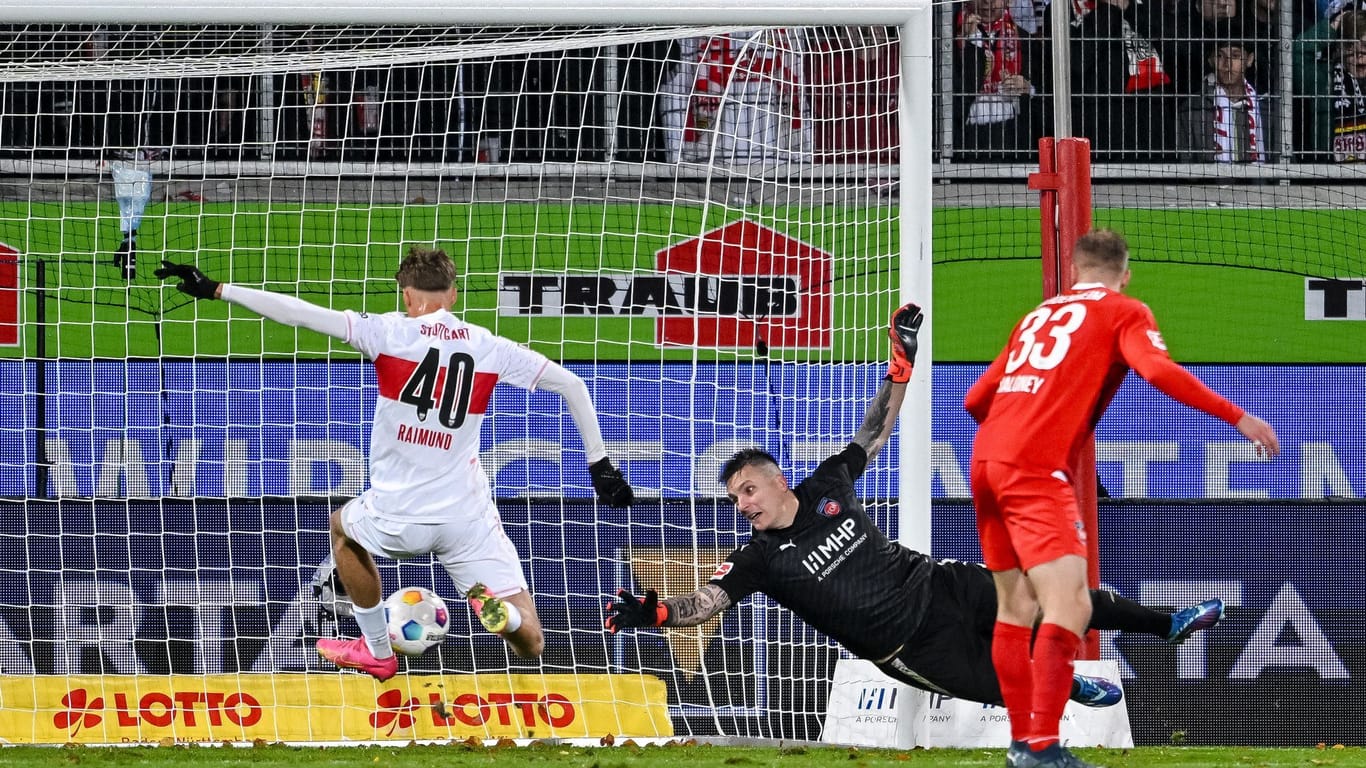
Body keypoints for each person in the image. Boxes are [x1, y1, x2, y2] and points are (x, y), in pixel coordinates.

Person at [603, 302, 1227, 712]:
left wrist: (901, 369)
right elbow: (705, 603)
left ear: (779, 481)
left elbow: (874, 431)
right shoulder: (759, 560)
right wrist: (655, 611)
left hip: (939, 585)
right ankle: (1063, 686)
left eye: (748, 491)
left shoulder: (827, 486)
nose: (742, 506)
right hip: (910, 648)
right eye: (734, 498)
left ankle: (1165, 623)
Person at [156, 247, 634, 681]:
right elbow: (573, 384)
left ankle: (379, 650)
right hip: (467, 518)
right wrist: (600, 465)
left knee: (341, 527)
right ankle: (501, 615)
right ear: (453, 293)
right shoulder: (490, 346)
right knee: (531, 639)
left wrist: (218, 289)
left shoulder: (386, 332)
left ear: (407, 295)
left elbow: (300, 314)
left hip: (398, 515)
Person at [964, 229, 1279, 768]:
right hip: (1033, 469)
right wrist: (1238, 416)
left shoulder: (1039, 315)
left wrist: (1011, 437)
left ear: (1074, 269)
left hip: (985, 461)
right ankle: (1040, 747)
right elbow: (1156, 369)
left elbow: (976, 398)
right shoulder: (1124, 311)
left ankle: (1023, 745)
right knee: (1073, 604)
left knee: (1015, 608)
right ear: (1124, 273)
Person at [1177, 35, 1275, 162]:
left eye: (1235, 56)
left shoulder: (1267, 108)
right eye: (1219, 56)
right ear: (1210, 60)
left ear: (1249, 60)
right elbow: (1186, 169)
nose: (1227, 64)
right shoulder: (1193, 108)